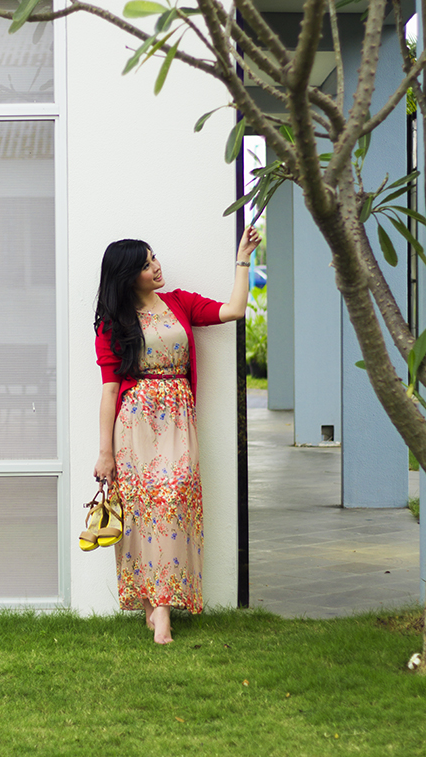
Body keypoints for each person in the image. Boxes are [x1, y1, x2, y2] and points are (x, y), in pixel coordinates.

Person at [93, 227, 261, 644]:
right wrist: (104, 453)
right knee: (140, 515)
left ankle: (160, 604)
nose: (157, 266)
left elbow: (234, 310)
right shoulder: (113, 324)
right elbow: (110, 390)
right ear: (128, 275)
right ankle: (157, 610)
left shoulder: (179, 302)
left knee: (172, 501)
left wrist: (242, 259)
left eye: (155, 259)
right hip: (134, 425)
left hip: (178, 420)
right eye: (147, 264)